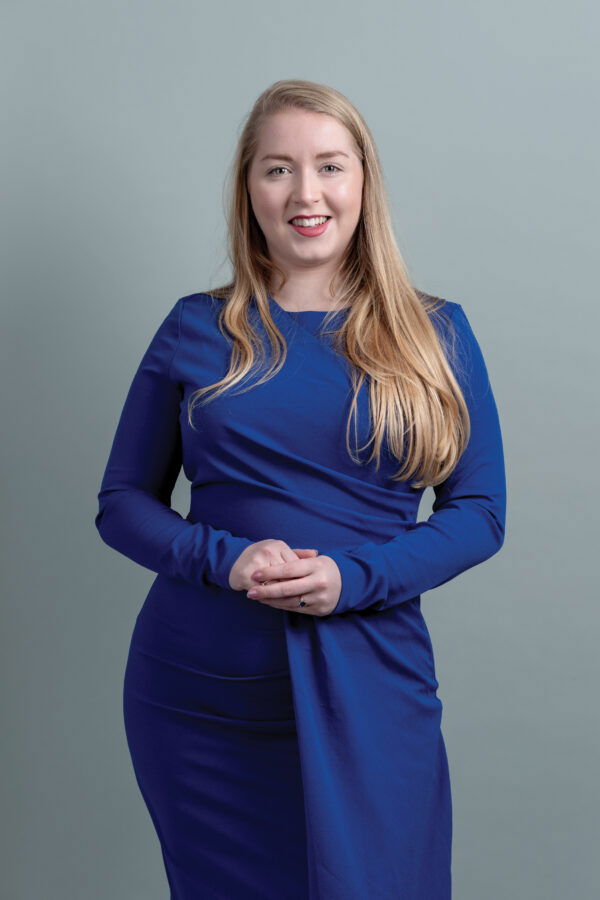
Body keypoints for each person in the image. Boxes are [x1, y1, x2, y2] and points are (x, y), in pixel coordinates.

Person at [95, 78, 506, 900]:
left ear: (364, 182)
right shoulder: (195, 327)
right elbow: (122, 504)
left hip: (370, 682)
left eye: (330, 166)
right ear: (249, 189)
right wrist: (225, 560)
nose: (305, 193)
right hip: (200, 695)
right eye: (278, 169)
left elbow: (480, 513)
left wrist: (354, 578)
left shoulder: (436, 332)